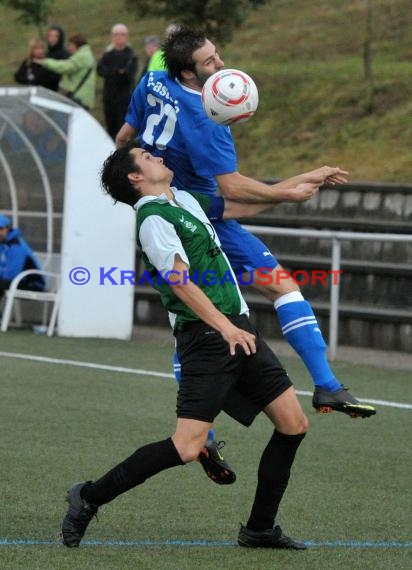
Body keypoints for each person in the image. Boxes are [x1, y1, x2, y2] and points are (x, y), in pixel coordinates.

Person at [115, 27, 376, 420]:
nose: (220, 64)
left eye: (217, 54)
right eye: (209, 62)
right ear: (188, 73)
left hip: (170, 206)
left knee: (190, 322)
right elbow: (232, 190)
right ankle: (325, 385)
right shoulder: (208, 120)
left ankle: (218, 430)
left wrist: (138, 188)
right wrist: (288, 191)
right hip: (199, 216)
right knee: (264, 294)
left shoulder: (153, 80)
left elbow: (124, 137)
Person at [60, 143, 312, 550]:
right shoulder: (152, 218)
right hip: (207, 339)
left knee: (293, 424)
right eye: (146, 157)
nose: (158, 157)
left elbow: (239, 209)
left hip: (238, 329)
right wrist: (224, 328)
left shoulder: (186, 199)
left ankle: (260, 529)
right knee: (188, 446)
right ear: (135, 178)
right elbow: (179, 281)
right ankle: (88, 497)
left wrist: (295, 189)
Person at [97, 24, 138, 139]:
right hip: (109, 99)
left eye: (122, 35)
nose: (119, 37)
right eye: (116, 35)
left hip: (125, 100)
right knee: (111, 130)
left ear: (127, 37)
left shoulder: (131, 55)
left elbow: (127, 75)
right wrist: (116, 72)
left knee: (123, 132)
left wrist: (113, 73)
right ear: (112, 37)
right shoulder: (107, 55)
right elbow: (100, 70)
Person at [35, 34, 96, 110]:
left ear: (75, 45)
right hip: (83, 96)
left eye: (70, 45)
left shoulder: (82, 56)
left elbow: (64, 67)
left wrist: (46, 62)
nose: (68, 48)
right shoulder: (86, 54)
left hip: (79, 98)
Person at [0, 214, 45, 298]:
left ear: (8, 229)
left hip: (33, 284)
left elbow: (12, 274)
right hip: (16, 281)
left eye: (1, 229)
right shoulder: (3, 245)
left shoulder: (15, 246)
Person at [46, 25, 70, 92]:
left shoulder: (65, 55)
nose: (52, 39)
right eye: (50, 36)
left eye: (55, 36)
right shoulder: (46, 55)